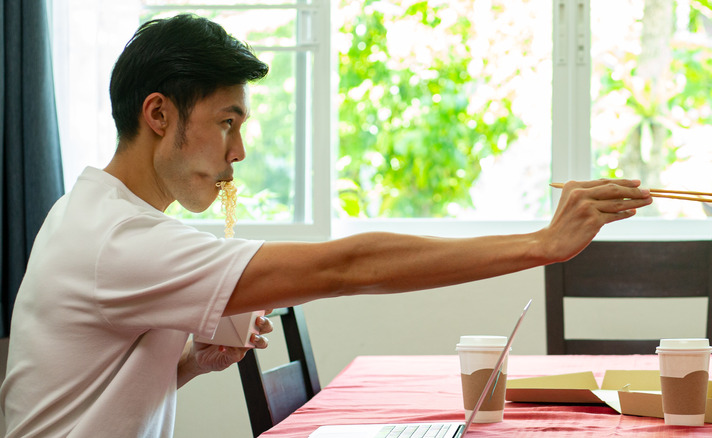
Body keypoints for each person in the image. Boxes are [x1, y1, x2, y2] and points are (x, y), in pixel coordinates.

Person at [0, 13, 652, 438]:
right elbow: (346, 267)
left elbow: (91, 391)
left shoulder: (95, 215)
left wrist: (195, 363)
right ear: (159, 115)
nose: (239, 153)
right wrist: (543, 243)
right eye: (227, 122)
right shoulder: (119, 241)